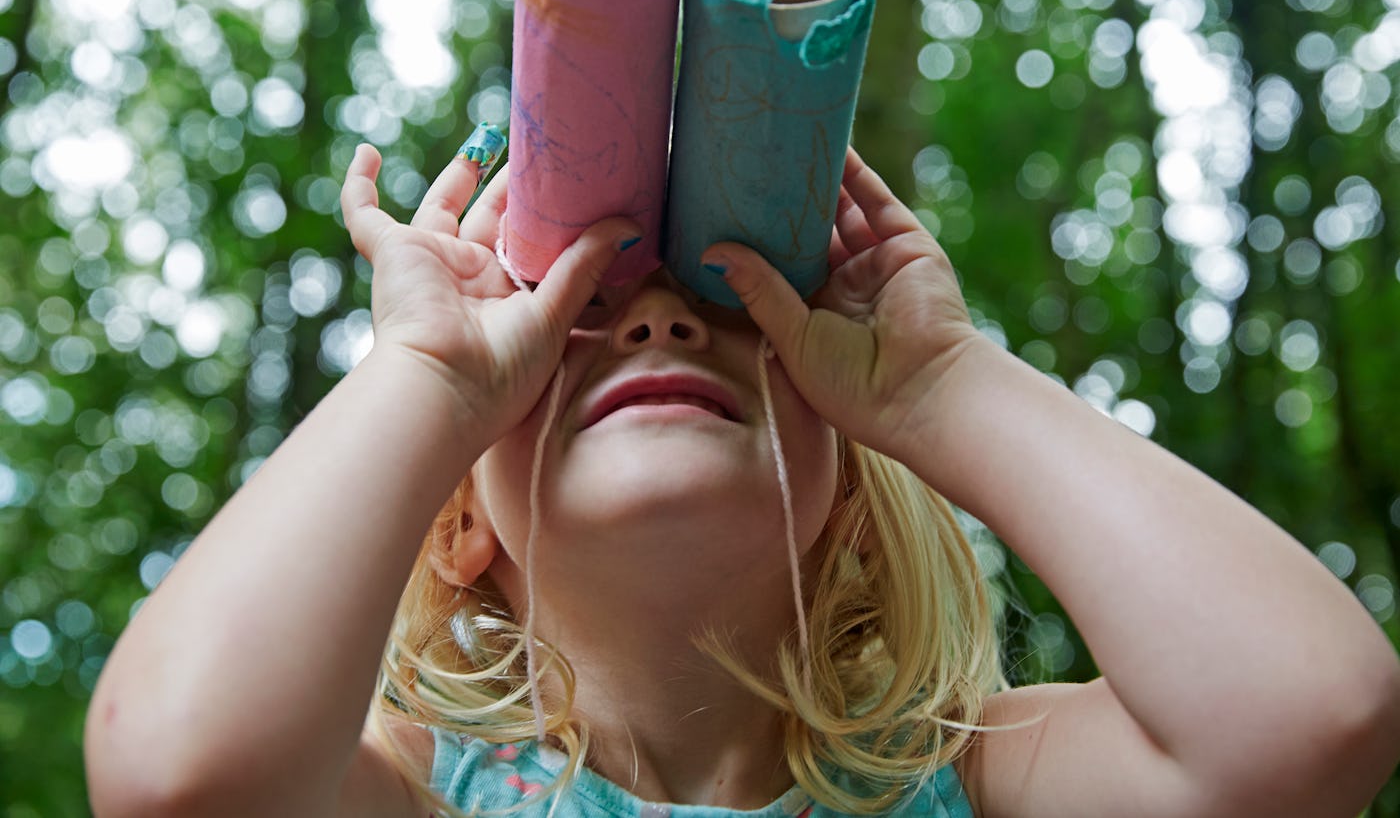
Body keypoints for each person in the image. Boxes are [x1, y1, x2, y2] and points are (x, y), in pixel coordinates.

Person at [84, 139, 1400, 818]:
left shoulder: (980, 781)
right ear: (459, 525)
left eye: (735, 318)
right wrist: (428, 369)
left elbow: (1310, 716)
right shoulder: (422, 790)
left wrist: (944, 384)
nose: (658, 324)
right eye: (574, 328)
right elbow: (178, 775)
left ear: (852, 496)